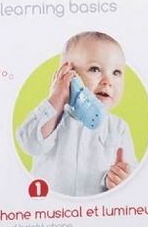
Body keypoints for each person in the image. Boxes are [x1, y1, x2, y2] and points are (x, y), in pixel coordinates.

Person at [15, 31, 137, 195]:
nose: (108, 81)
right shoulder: (52, 116)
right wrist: (57, 97)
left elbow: (132, 174)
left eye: (116, 72)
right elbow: (31, 143)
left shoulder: (118, 128)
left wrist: (120, 178)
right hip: (51, 207)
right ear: (67, 74)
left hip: (95, 207)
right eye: (95, 69)